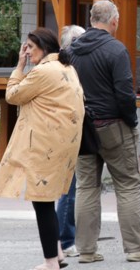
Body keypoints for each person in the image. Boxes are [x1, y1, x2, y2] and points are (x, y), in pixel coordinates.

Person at [66, 0, 140, 263]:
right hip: (113, 125)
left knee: (86, 187)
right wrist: (131, 121)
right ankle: (135, 248)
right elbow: (124, 94)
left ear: (91, 18)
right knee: (128, 185)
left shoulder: (72, 50)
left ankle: (86, 250)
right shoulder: (116, 50)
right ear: (114, 21)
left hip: (83, 127)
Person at [0, 28, 84, 270]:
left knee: (41, 202)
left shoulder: (44, 71)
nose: (28, 51)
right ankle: (59, 253)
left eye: (31, 47)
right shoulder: (67, 68)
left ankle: (50, 261)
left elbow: (12, 95)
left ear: (44, 47)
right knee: (47, 199)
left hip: (44, 145)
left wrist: (19, 67)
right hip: (63, 145)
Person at [55, 24, 85, 259]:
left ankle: (68, 238)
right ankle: (65, 240)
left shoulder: (63, 67)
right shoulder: (65, 69)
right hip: (67, 134)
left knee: (72, 188)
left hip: (71, 132)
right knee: (69, 188)